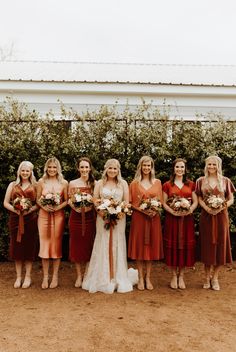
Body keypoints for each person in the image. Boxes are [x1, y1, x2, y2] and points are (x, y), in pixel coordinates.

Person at [82, 159, 138, 293]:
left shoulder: (123, 183)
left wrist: (118, 213)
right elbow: (95, 200)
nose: (112, 171)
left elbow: (127, 202)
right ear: (105, 169)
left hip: (119, 219)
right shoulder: (99, 183)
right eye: (110, 168)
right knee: (103, 243)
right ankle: (103, 277)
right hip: (102, 219)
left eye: (115, 169)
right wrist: (102, 213)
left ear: (118, 170)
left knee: (117, 243)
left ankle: (117, 276)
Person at [195, 155, 235, 291]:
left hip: (221, 217)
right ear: (206, 166)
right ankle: (206, 277)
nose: (211, 167)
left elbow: (231, 199)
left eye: (214, 164)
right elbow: (199, 197)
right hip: (206, 217)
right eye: (209, 164)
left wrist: (221, 207)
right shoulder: (200, 181)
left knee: (221, 246)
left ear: (219, 166)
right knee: (207, 247)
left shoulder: (226, 181)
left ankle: (215, 278)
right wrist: (206, 208)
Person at [128, 156, 164, 290]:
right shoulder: (134, 183)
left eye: (149, 165)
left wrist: (155, 210)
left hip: (153, 219)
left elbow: (160, 201)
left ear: (152, 167)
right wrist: (142, 210)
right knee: (139, 248)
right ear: (140, 167)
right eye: (144, 165)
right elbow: (130, 203)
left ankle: (148, 277)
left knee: (150, 248)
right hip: (139, 219)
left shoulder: (158, 182)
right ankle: (140, 279)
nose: (147, 168)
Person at [163, 158, 198, 289]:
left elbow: (195, 202)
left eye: (182, 167)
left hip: (186, 220)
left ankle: (181, 276)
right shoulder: (167, 185)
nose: (179, 169)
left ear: (185, 169)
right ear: (173, 168)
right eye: (177, 167)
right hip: (172, 219)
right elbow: (163, 203)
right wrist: (172, 211)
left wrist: (189, 210)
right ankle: (173, 276)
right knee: (173, 246)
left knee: (184, 247)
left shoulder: (191, 184)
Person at [4, 161, 38, 289]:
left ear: (31, 172)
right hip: (15, 219)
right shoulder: (12, 185)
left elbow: (38, 203)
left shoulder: (35, 185)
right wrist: (16, 210)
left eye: (27, 171)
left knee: (29, 248)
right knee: (17, 248)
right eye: (23, 170)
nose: (25, 173)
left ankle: (28, 276)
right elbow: (6, 203)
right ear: (19, 171)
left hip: (30, 220)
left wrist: (29, 210)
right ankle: (18, 277)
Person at [37, 157, 68, 289]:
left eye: (54, 167)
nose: (52, 169)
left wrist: (57, 207)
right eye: (50, 167)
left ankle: (55, 276)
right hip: (43, 217)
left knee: (56, 246)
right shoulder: (41, 181)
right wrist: (44, 206)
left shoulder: (64, 183)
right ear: (46, 168)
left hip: (58, 217)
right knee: (44, 246)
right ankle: (45, 277)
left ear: (58, 169)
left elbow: (66, 200)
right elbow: (37, 199)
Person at [68, 157, 96, 287]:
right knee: (77, 247)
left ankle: (87, 275)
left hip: (90, 218)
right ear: (78, 168)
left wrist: (89, 207)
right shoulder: (72, 183)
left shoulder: (95, 183)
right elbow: (69, 200)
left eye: (86, 167)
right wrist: (77, 208)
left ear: (90, 168)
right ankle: (79, 275)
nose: (84, 169)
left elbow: (97, 200)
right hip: (76, 217)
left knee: (89, 246)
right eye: (82, 167)